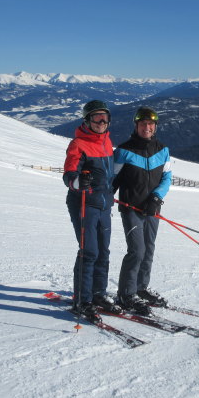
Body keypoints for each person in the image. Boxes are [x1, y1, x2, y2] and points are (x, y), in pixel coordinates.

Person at [63, 100, 121, 321]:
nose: (102, 122)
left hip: (104, 203)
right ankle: (82, 300)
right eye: (97, 118)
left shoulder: (106, 141)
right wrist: (77, 182)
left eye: (105, 118)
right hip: (84, 203)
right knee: (89, 252)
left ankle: (98, 293)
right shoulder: (78, 144)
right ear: (86, 120)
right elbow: (69, 171)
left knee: (103, 252)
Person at [113, 106, 173, 315]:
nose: (146, 127)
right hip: (131, 208)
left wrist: (157, 198)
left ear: (155, 127)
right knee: (136, 250)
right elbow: (112, 178)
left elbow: (167, 178)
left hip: (151, 208)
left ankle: (141, 288)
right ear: (136, 126)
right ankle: (126, 294)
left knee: (148, 248)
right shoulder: (123, 150)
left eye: (150, 124)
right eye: (143, 124)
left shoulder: (162, 150)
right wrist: (103, 197)